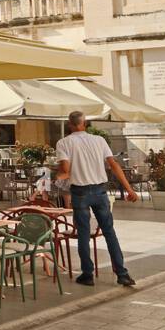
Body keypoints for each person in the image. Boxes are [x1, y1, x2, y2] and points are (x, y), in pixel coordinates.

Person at [55, 111, 137, 287]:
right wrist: (129, 189)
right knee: (109, 232)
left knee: (83, 234)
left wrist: (55, 176)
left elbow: (65, 171)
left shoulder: (64, 143)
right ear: (85, 124)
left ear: (70, 125)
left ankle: (87, 274)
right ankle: (122, 274)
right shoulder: (99, 141)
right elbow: (113, 164)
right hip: (100, 191)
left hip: (80, 192)